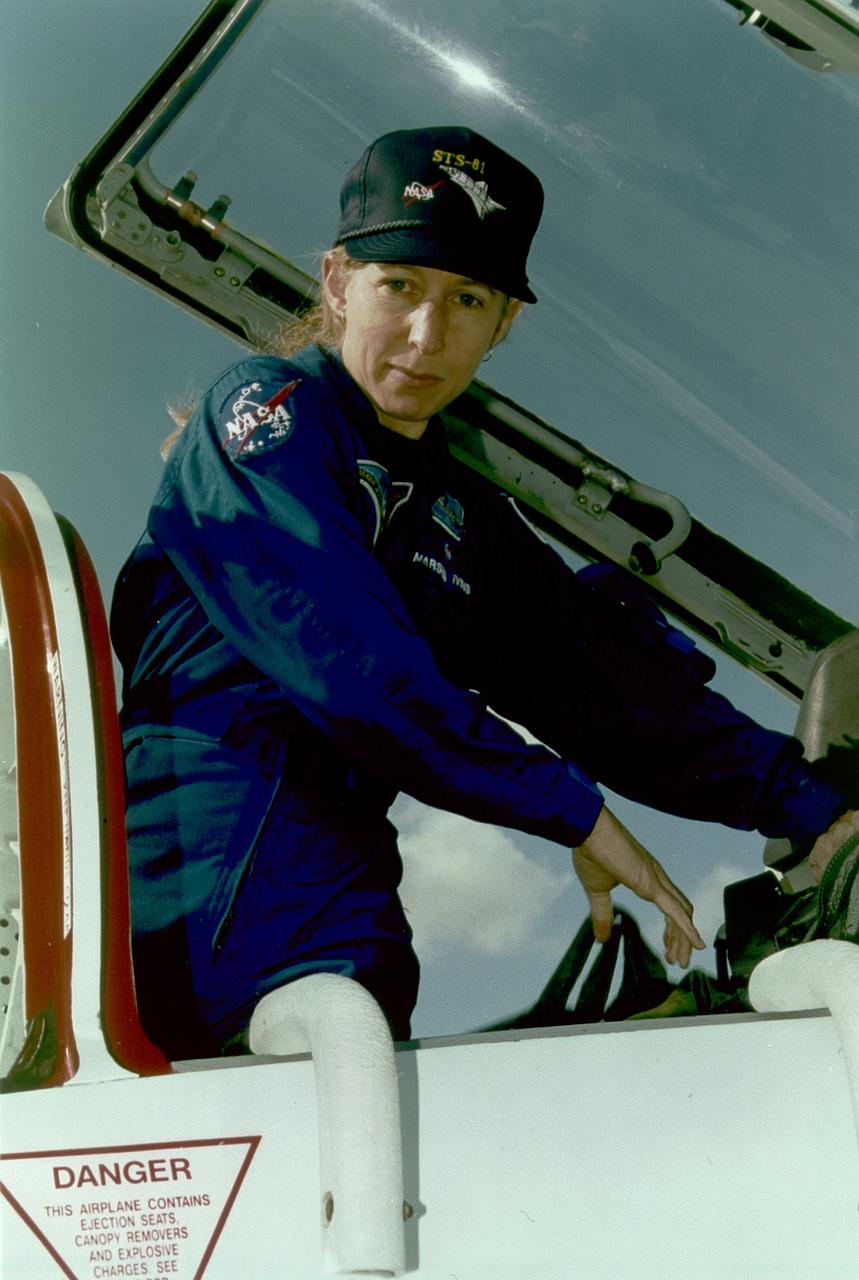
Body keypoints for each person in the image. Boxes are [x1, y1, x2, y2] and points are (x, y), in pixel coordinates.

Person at [111, 125, 856, 1057]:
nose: (428, 336)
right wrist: (566, 806)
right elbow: (347, 659)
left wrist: (813, 810)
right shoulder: (265, 415)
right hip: (200, 855)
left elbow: (606, 692)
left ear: (505, 323)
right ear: (338, 285)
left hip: (336, 879)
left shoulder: (463, 515)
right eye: (400, 287)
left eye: (466, 298)